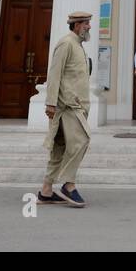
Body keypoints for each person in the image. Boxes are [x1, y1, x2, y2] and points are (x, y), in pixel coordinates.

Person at [37, 11, 94, 207]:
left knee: (59, 149)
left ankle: (46, 191)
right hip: (68, 106)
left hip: (76, 106)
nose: (89, 27)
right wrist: (50, 103)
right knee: (81, 140)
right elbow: (54, 74)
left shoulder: (78, 45)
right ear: (76, 25)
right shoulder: (66, 43)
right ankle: (68, 185)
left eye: (89, 23)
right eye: (86, 23)